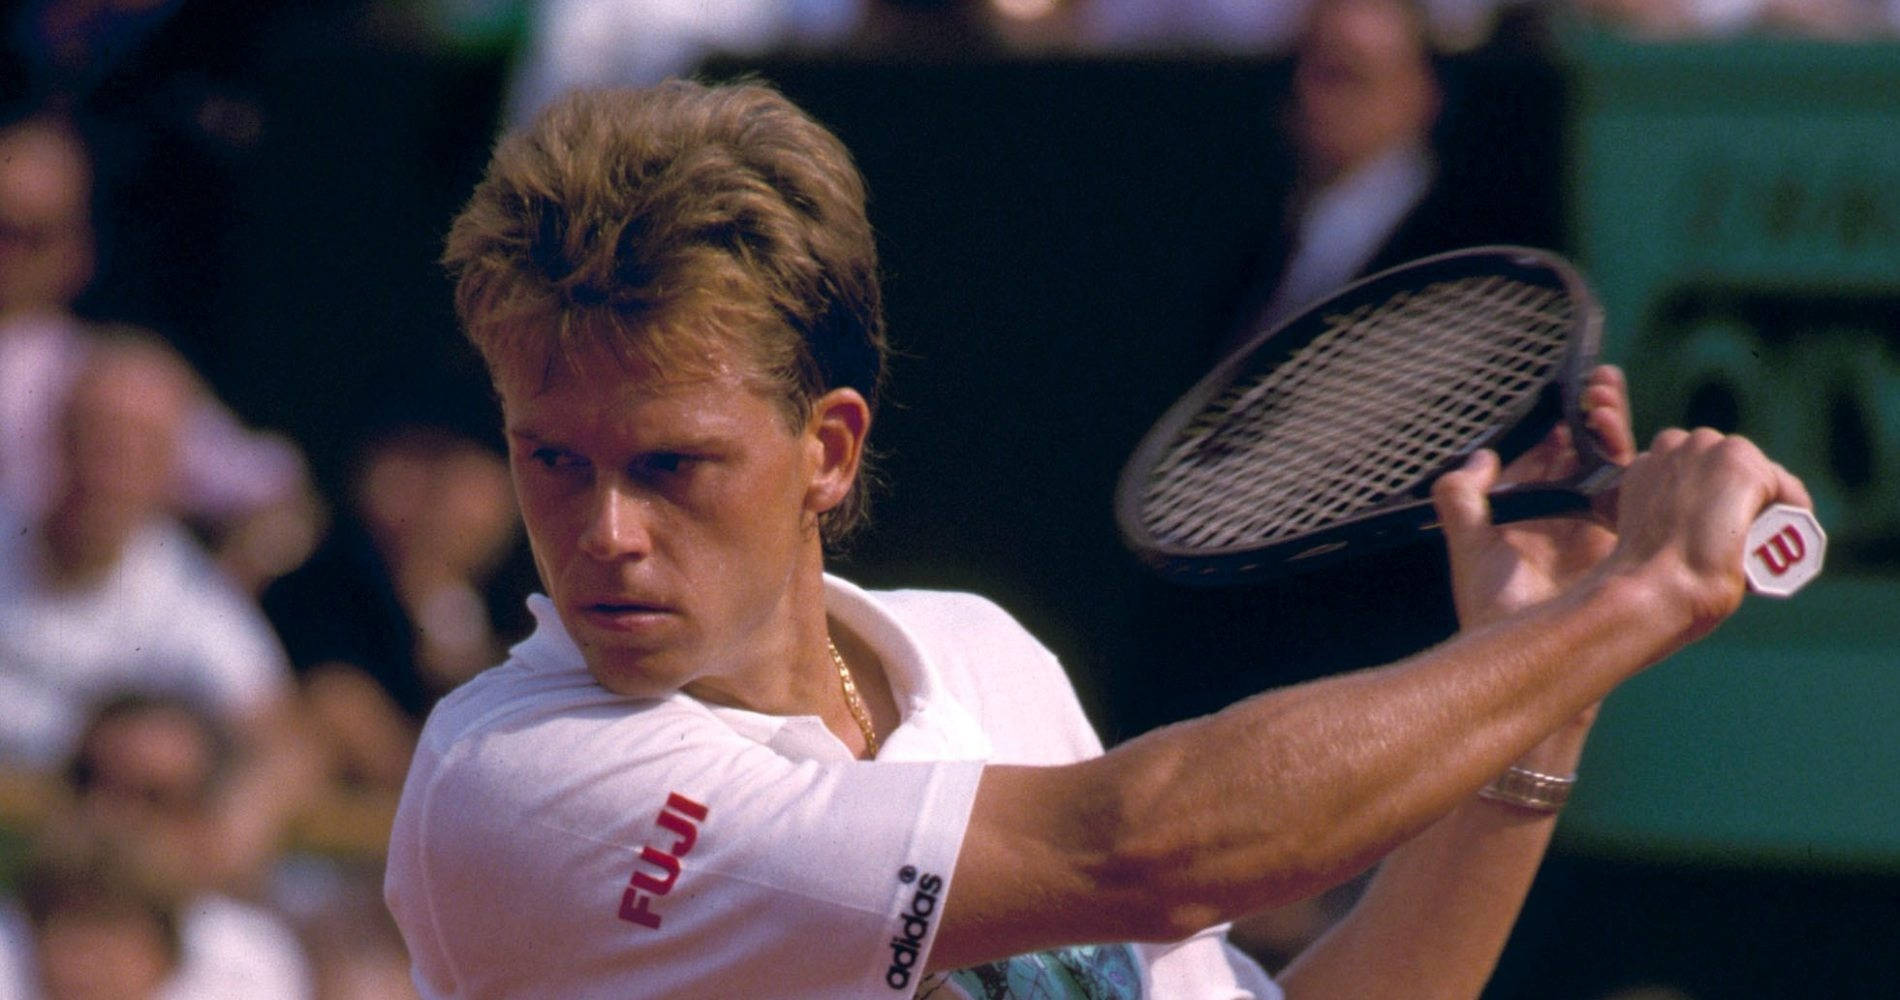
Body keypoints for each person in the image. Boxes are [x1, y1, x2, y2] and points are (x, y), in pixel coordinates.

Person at [384, 78, 1811, 998]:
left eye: (668, 464)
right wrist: (1640, 600)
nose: (602, 532)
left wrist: (1540, 679)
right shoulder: (518, 787)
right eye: (550, 458)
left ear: (825, 449)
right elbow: (1155, 850)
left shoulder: (979, 657)